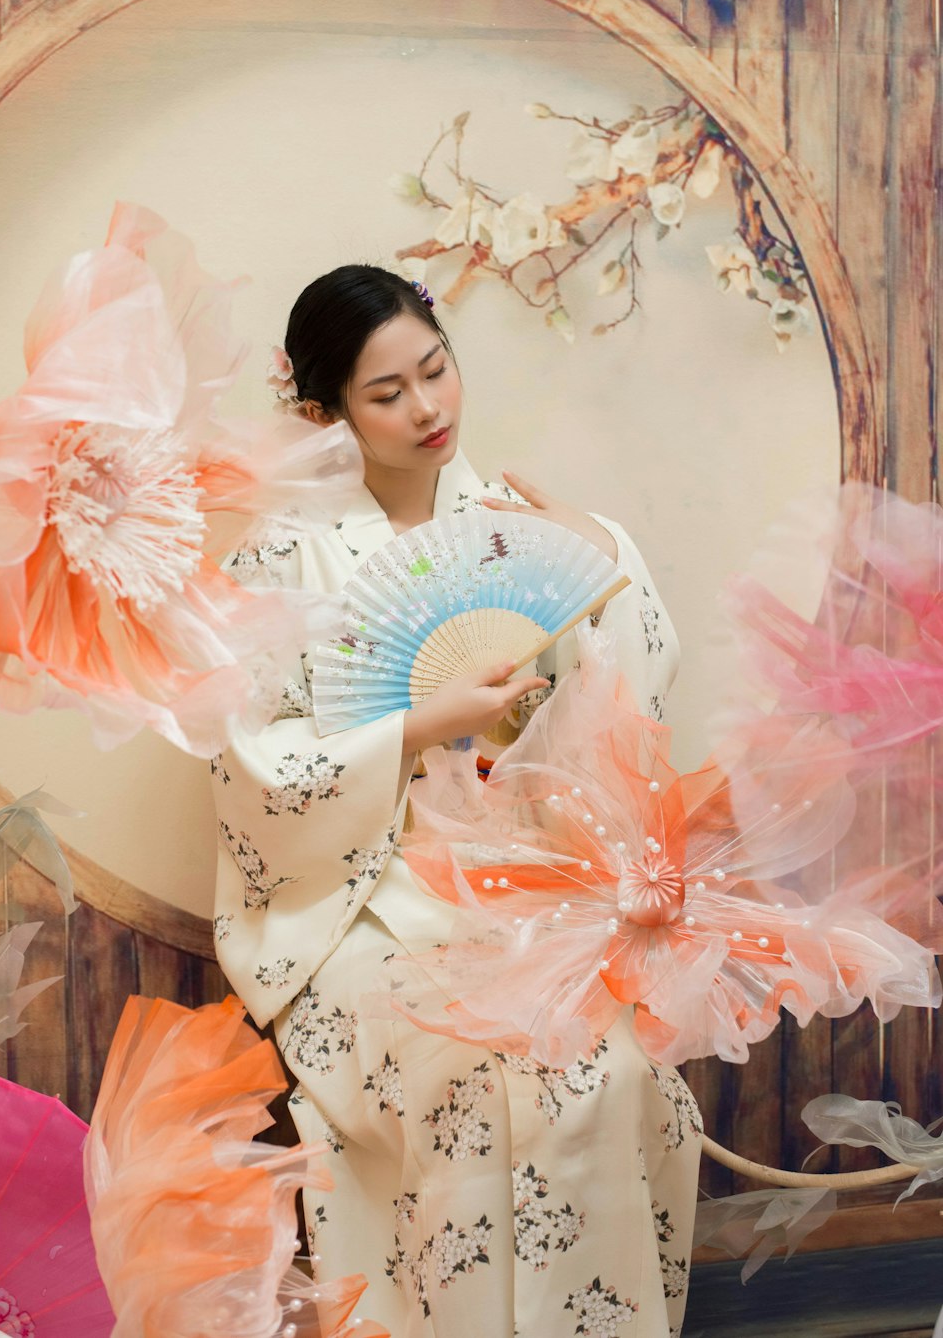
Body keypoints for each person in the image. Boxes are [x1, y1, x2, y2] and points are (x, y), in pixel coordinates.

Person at [212, 265, 701, 1338]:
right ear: (322, 413)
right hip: (359, 899)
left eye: (435, 370)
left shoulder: (505, 521)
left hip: (520, 874)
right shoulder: (281, 557)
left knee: (603, 1069)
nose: (427, 408)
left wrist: (603, 560)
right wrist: (419, 725)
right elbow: (253, 759)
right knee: (475, 1082)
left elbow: (629, 687)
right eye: (386, 394)